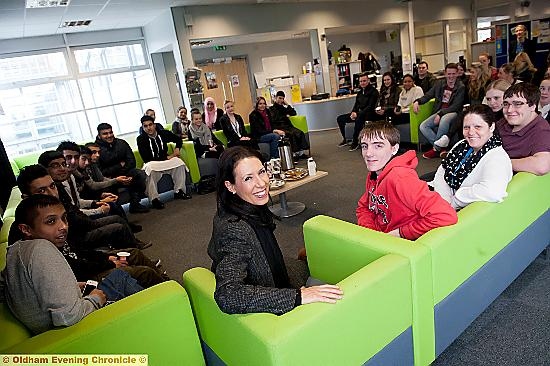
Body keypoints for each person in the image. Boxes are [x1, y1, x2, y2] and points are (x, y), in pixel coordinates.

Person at [208, 146, 343, 315]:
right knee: (335, 290)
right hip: (271, 296)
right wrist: (298, 296)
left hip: (272, 273)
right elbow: (228, 295)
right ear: (230, 186)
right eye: (248, 178)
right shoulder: (235, 228)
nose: (261, 183)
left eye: (261, 172)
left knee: (312, 266)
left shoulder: (241, 208)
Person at [1, 194, 143, 335]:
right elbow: (68, 317)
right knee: (120, 276)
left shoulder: (15, 250)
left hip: (49, 328)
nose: (63, 226)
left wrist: (71, 287)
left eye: (64, 218)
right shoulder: (42, 249)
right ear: (26, 229)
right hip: (68, 331)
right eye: (51, 222)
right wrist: (95, 299)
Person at [356, 121, 458, 240]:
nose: (368, 153)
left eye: (378, 146)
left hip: (401, 244)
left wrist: (400, 233)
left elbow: (445, 215)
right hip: (381, 238)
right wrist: (372, 234)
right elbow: (364, 207)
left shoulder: (400, 178)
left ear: (394, 148)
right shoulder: (375, 174)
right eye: (364, 146)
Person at [431, 105, 512, 210]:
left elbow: (492, 192)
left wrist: (454, 201)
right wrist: (444, 200)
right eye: (466, 127)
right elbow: (443, 169)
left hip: (457, 209)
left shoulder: (497, 158)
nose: (470, 132)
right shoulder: (462, 144)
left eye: (477, 127)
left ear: (491, 127)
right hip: (441, 198)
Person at [137, 115, 191, 209]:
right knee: (149, 169)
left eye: (150, 125)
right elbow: (146, 158)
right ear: (143, 127)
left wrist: (177, 148)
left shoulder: (163, 133)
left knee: (179, 163)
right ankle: (154, 199)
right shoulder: (141, 139)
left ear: (154, 125)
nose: (148, 128)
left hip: (166, 161)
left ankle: (179, 191)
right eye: (145, 126)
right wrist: (168, 157)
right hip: (153, 163)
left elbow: (178, 139)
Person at [496, 82, 550, 175]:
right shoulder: (503, 122)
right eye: (506, 104)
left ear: (533, 106)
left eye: (517, 104)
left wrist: (496, 163)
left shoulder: (541, 129)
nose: (509, 110)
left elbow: (542, 166)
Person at [95, 123, 149, 213]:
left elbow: (131, 161)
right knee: (107, 186)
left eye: (110, 132)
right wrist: (119, 167)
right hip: (109, 178)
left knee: (140, 174)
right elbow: (100, 171)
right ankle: (117, 211)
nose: (109, 135)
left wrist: (124, 175)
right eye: (105, 134)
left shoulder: (121, 143)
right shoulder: (96, 150)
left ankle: (135, 204)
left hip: (125, 174)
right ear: (99, 135)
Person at [415, 63, 466, 159]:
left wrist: (440, 113)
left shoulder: (461, 87)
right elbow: (429, 95)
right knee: (423, 126)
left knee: (444, 119)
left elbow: (456, 106)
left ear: (457, 74)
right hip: (439, 111)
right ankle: (442, 149)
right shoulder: (439, 84)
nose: (451, 76)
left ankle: (435, 149)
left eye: (453, 74)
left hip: (453, 112)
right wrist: (417, 101)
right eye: (449, 74)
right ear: (445, 73)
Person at [336, 73, 379, 151]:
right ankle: (346, 139)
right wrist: (353, 112)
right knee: (340, 119)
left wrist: (357, 114)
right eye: (360, 81)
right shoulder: (359, 93)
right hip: (359, 113)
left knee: (359, 119)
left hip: (369, 114)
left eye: (364, 81)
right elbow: (356, 105)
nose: (362, 83)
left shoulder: (374, 92)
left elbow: (370, 107)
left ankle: (355, 142)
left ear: (368, 81)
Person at [269, 91, 310, 158]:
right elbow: (274, 119)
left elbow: (294, 113)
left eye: (282, 99)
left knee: (299, 132)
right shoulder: (271, 109)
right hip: (279, 127)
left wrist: (287, 104)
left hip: (287, 126)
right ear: (276, 98)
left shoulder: (283, 108)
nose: (281, 100)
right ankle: (294, 154)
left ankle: (301, 153)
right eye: (279, 98)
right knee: (290, 134)